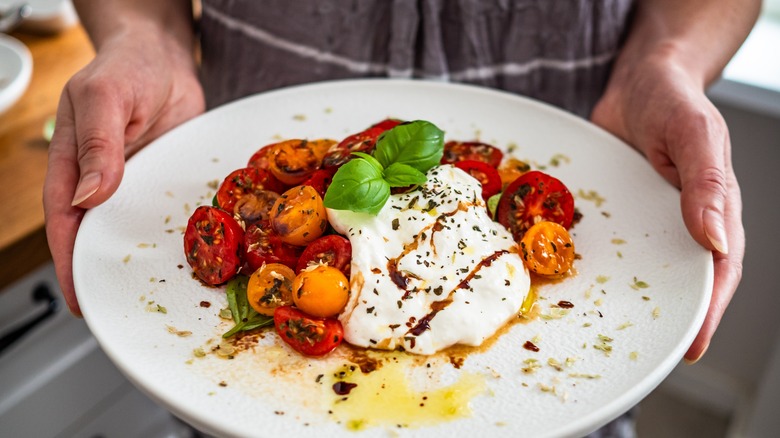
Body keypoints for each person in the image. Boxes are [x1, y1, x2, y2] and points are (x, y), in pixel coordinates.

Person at [43, 0, 756, 433]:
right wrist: (142, 35)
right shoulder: (304, 221)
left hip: (593, 127)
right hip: (229, 110)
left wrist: (669, 60)